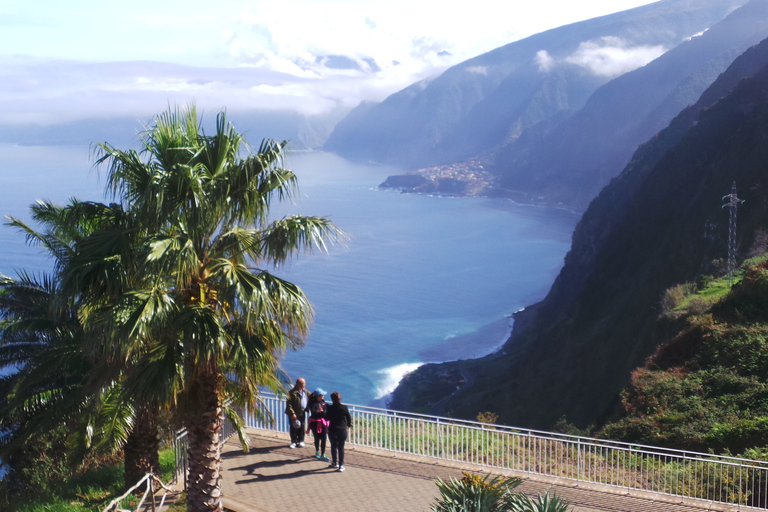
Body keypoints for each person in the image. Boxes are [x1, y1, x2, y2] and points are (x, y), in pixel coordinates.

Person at [326, 391, 352, 472]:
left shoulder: (330, 408)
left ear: (332, 399)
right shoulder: (344, 407)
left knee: (333, 446)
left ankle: (334, 462)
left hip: (332, 430)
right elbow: (349, 418)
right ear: (339, 398)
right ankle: (341, 465)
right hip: (342, 430)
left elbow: (326, 418)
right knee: (341, 447)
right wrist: (348, 425)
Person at [285, 377, 309, 448]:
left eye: (304, 383)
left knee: (302, 426)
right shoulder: (292, 393)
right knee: (294, 427)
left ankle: (301, 440)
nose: (305, 385)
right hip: (295, 413)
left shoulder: (305, 391)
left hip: (302, 412)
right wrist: (292, 413)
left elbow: (311, 396)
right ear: (298, 384)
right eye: (303, 383)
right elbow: (289, 404)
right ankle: (294, 441)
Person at [306, 388, 330, 461]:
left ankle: (323, 453)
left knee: (323, 439)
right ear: (318, 396)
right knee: (317, 438)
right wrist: (319, 411)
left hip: (323, 423)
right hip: (315, 423)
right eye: (322, 395)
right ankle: (317, 451)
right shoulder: (313, 404)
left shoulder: (323, 402)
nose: (323, 396)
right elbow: (313, 414)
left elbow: (326, 408)